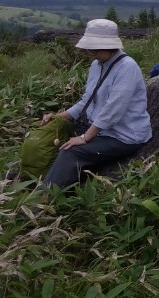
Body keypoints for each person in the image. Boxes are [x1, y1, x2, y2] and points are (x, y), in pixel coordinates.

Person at [41, 19, 152, 188]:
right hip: (101, 130)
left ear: (110, 47)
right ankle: (43, 179)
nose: (91, 54)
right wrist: (58, 118)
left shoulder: (127, 67)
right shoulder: (97, 65)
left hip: (124, 135)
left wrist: (85, 137)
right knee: (51, 134)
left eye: (95, 50)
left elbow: (113, 110)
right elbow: (87, 100)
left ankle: (45, 197)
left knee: (70, 152)